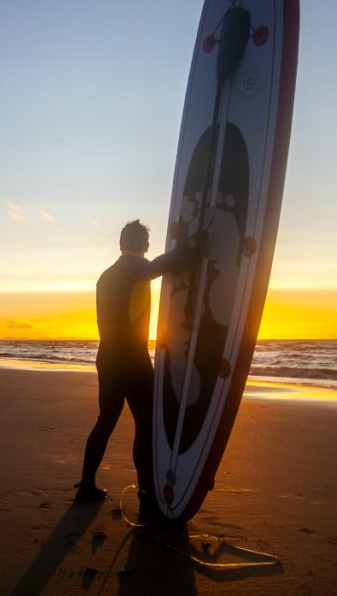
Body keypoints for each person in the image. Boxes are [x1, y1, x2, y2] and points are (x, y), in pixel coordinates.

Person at [74, 220, 201, 514]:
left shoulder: (105, 276)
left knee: (105, 421)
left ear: (121, 243)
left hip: (107, 358)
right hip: (131, 360)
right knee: (146, 426)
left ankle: (86, 483)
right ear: (144, 245)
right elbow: (151, 269)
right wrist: (191, 247)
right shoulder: (133, 267)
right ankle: (146, 493)